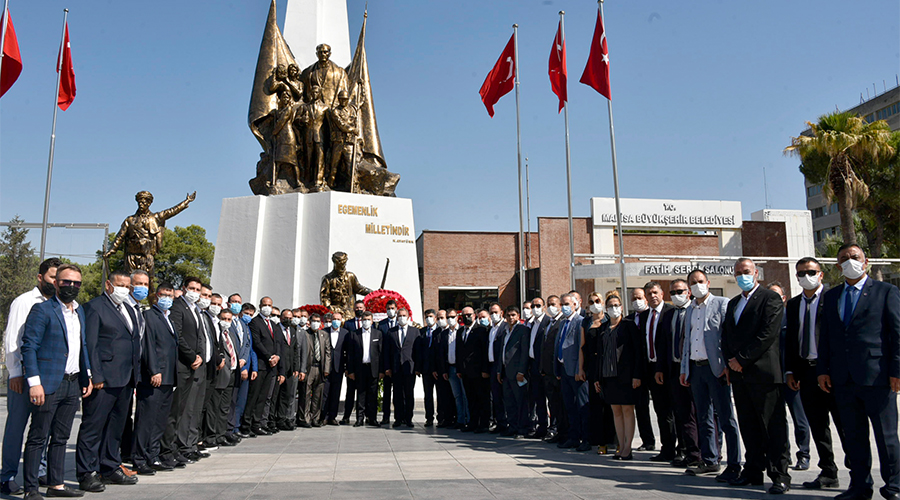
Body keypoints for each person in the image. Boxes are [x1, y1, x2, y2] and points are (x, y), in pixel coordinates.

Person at [818, 244, 900, 500]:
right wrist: (823, 370)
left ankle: (894, 486)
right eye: (844, 258)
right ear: (837, 265)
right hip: (843, 379)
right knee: (854, 437)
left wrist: (897, 370)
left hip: (877, 376)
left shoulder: (886, 291)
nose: (850, 261)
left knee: (886, 438)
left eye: (855, 257)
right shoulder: (832, 296)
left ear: (866, 262)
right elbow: (827, 337)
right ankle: (860, 486)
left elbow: (897, 333)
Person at [20, 263, 93, 500]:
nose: (71, 287)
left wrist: (87, 376)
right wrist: (34, 382)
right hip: (48, 383)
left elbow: (82, 347)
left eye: (76, 283)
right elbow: (29, 347)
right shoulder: (42, 310)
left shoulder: (79, 311)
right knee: (38, 437)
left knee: (61, 437)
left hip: (73, 384)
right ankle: (31, 488)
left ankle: (56, 485)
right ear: (55, 283)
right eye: (66, 282)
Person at [722, 258, 791, 494]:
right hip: (740, 377)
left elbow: (767, 334)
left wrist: (741, 359)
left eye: (747, 271)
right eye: (739, 272)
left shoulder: (770, 298)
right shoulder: (733, 304)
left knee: (772, 426)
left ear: (756, 273)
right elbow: (727, 336)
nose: (743, 275)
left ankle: (779, 474)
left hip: (764, 374)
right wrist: (730, 362)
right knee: (748, 426)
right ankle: (752, 471)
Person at [784, 257, 846, 491]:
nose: (806, 277)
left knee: (844, 424)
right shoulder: (793, 304)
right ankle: (828, 471)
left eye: (810, 272)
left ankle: (857, 470)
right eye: (801, 273)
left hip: (832, 373)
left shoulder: (833, 298)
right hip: (806, 373)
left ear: (820, 274)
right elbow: (791, 341)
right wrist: (791, 370)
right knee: (818, 426)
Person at [76, 270, 141, 490]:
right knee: (93, 427)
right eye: (119, 285)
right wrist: (96, 375)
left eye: (127, 286)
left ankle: (110, 466)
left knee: (116, 427)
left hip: (125, 379)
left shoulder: (128, 310)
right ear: (108, 285)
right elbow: (90, 344)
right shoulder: (94, 308)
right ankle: (87, 472)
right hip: (104, 380)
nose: (123, 289)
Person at [2, 257, 61, 496]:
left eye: (59, 278)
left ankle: (39, 471)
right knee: (16, 427)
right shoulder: (24, 301)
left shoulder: (56, 304)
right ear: (40, 277)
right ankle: (7, 475)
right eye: (51, 277)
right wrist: (15, 372)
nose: (56, 282)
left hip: (45, 377)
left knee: (42, 429)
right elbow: (13, 339)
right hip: (23, 376)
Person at [680, 268, 742, 481]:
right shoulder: (690, 309)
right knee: (703, 417)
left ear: (708, 282)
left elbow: (729, 337)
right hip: (696, 369)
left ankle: (734, 463)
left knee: (725, 418)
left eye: (700, 281)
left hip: (717, 369)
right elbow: (688, 341)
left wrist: (727, 364)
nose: (697, 285)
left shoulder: (722, 304)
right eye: (693, 282)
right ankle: (710, 460)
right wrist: (685, 369)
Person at [132, 281, 179, 475]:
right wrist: (154, 370)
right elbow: (149, 345)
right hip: (155, 376)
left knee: (159, 420)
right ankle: (139, 458)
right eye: (163, 294)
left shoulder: (169, 318)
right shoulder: (149, 316)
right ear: (156, 296)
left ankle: (153, 455)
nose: (167, 298)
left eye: (170, 295)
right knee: (146, 419)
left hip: (168, 377)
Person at [654, 280, 701, 467]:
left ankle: (701, 453)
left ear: (688, 292)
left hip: (694, 368)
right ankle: (687, 452)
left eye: (680, 291)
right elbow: (663, 343)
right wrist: (659, 368)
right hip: (673, 370)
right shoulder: (669, 314)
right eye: (673, 292)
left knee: (697, 413)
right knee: (681, 413)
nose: (676, 295)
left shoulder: (695, 311)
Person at [767, 281, 812, 471]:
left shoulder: (791, 318)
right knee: (778, 421)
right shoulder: (766, 320)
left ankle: (804, 454)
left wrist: (793, 372)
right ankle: (784, 454)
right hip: (772, 378)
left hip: (791, 377)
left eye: (777, 295)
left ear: (784, 298)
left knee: (799, 419)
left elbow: (795, 347)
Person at [595, 292, 643, 460]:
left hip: (626, 376)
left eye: (616, 305)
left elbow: (638, 351)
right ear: (606, 309)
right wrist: (597, 378)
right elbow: (599, 354)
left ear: (621, 307)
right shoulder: (603, 328)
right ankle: (620, 445)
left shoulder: (629, 325)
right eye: (610, 306)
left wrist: (637, 375)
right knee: (616, 411)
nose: (614, 308)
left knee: (628, 410)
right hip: (609, 376)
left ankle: (628, 447)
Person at [637, 281, 675, 460]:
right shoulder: (644, 316)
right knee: (661, 411)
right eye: (649, 294)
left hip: (668, 368)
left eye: (655, 292)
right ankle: (667, 449)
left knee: (675, 410)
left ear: (662, 294)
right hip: (650, 369)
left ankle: (682, 449)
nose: (652, 296)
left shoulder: (670, 312)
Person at [555, 293, 590, 452]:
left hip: (576, 371)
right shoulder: (563, 323)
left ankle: (586, 438)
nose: (564, 307)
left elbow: (580, 348)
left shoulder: (580, 322)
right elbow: (559, 346)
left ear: (575, 305)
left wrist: (579, 369)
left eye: (567, 304)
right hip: (564, 370)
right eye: (562, 304)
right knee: (569, 406)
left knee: (582, 406)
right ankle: (573, 437)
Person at [582, 292, 616, 454]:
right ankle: (599, 440)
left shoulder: (608, 321)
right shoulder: (586, 322)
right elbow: (582, 347)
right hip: (591, 367)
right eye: (591, 301)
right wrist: (581, 368)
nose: (595, 304)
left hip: (606, 365)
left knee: (610, 405)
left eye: (597, 301)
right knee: (595, 406)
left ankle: (613, 440)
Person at [243, 297, 279, 436]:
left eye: (269, 305)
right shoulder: (255, 322)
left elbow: (277, 343)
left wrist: (277, 356)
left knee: (263, 397)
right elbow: (257, 343)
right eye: (265, 305)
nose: (267, 307)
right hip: (261, 364)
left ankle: (257, 424)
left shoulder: (273, 325)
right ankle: (247, 424)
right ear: (260, 306)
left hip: (271, 366)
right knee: (254, 396)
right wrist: (269, 356)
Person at [384, 308, 419, 427]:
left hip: (409, 368)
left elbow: (417, 351)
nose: (402, 317)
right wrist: (387, 367)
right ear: (397, 317)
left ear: (408, 317)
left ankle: (408, 418)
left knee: (409, 394)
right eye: (400, 316)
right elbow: (387, 351)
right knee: (397, 394)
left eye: (404, 315)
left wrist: (417, 367)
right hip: (396, 368)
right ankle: (398, 418)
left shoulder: (415, 332)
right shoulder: (391, 332)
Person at [457, 306, 489, 433]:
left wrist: (485, 369)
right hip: (465, 372)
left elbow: (485, 351)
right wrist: (459, 369)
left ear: (474, 315)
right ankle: (473, 422)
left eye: (469, 314)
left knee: (482, 398)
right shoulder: (461, 332)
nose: (467, 317)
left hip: (479, 371)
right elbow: (459, 351)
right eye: (464, 315)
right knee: (471, 399)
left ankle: (484, 424)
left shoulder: (481, 330)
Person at [346, 311, 382, 427]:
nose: (366, 322)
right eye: (364, 320)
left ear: (372, 321)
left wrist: (381, 370)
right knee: (360, 394)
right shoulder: (354, 334)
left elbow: (381, 353)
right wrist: (350, 370)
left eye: (368, 320)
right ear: (361, 321)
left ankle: (372, 418)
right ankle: (359, 418)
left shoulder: (378, 334)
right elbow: (350, 354)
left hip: (373, 368)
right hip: (360, 368)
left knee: (373, 394)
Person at [499, 306, 530, 438]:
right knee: (509, 401)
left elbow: (524, 352)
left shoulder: (523, 330)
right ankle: (512, 427)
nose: (510, 318)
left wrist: (521, 371)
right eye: (508, 315)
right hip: (506, 372)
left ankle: (522, 429)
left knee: (520, 402)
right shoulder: (505, 331)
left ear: (518, 316)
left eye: (513, 315)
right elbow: (502, 351)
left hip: (517, 372)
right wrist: (499, 370)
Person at [541, 295, 567, 444]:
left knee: (560, 404)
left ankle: (559, 429)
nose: (552, 307)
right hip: (547, 372)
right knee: (552, 403)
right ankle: (554, 429)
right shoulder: (548, 323)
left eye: (554, 304)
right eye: (549, 304)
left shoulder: (562, 322)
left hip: (557, 372)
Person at [228, 300, 255, 439]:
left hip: (245, 366)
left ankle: (235, 426)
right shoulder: (229, 322)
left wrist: (246, 363)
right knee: (231, 400)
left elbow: (248, 347)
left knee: (241, 400)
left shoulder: (244, 326)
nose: (248, 316)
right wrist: (241, 365)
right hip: (234, 367)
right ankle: (229, 429)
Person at [525, 297, 550, 439]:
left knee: (550, 401)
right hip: (533, 366)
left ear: (544, 307)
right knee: (538, 398)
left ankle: (553, 427)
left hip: (544, 366)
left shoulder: (547, 322)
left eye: (538, 305)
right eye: (533, 306)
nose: (535, 308)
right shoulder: (531, 324)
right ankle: (541, 427)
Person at [301, 314, 332, 427]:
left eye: (318, 321)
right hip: (309, 367)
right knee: (306, 394)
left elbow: (328, 353)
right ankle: (305, 418)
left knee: (318, 395)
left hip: (320, 368)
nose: (316, 323)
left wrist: (327, 369)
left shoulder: (324, 334)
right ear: (309, 321)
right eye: (314, 321)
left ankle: (315, 418)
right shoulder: (305, 334)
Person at [275, 308, 301, 430]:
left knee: (287, 395)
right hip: (279, 367)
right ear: (281, 318)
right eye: (286, 318)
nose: (288, 320)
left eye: (290, 318)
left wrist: (296, 367)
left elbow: (295, 350)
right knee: (276, 395)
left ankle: (283, 419)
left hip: (290, 369)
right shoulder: (276, 329)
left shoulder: (292, 330)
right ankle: (275, 420)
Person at [323, 311, 348, 425]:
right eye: (334, 319)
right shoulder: (324, 332)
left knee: (335, 392)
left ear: (341, 320)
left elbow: (347, 352)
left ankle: (332, 416)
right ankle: (323, 416)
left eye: (338, 319)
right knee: (325, 392)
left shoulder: (345, 333)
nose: (336, 321)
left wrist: (346, 367)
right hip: (326, 368)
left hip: (339, 367)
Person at [487, 303, 508, 433]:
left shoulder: (505, 327)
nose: (493, 315)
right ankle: (500, 423)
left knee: (504, 397)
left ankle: (507, 423)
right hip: (492, 366)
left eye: (496, 312)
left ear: (501, 312)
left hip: (501, 367)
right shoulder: (491, 328)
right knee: (496, 397)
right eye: (491, 312)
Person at [377, 300, 399, 425]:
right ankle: (386, 417)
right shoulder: (381, 325)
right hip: (386, 365)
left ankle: (398, 417)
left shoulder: (401, 323)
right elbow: (380, 348)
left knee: (397, 393)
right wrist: (384, 368)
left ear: (396, 308)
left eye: (392, 308)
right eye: (388, 308)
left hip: (397, 365)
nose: (390, 310)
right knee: (386, 394)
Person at [417, 309, 440, 426]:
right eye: (426, 317)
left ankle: (441, 417)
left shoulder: (440, 331)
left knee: (440, 395)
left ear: (435, 317)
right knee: (428, 395)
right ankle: (429, 417)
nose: (428, 319)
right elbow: (419, 352)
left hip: (438, 369)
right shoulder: (422, 332)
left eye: (430, 316)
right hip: (426, 369)